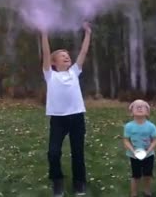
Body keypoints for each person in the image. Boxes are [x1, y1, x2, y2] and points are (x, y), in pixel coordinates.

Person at [41, 22, 92, 196]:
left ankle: (79, 183)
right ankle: (57, 181)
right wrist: (44, 33)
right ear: (54, 63)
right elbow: (46, 53)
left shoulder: (74, 72)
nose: (66, 57)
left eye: (67, 55)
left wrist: (88, 34)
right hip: (58, 119)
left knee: (78, 153)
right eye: (62, 55)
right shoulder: (50, 75)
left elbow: (83, 52)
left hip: (77, 117)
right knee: (53, 153)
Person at [123, 99, 156, 197]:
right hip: (134, 156)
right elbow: (126, 140)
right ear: (131, 112)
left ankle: (147, 191)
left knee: (148, 174)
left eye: (142, 106)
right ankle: (133, 193)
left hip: (149, 155)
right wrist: (132, 150)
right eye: (136, 106)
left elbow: (155, 139)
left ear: (147, 112)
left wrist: (149, 150)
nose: (139, 107)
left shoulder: (151, 127)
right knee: (136, 175)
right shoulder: (128, 126)